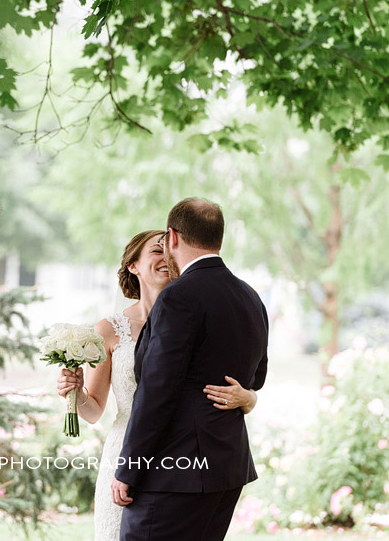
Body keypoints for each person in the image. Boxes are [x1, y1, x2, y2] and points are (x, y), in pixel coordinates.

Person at [56, 228, 259, 541]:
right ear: (133, 266)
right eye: (155, 250)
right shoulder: (109, 330)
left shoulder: (196, 313)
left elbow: (230, 375)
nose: (166, 257)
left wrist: (248, 398)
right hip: (126, 452)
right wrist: (76, 393)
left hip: (181, 460)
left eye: (169, 250)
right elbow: (94, 410)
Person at [110, 198, 269, 541]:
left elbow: (157, 390)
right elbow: (256, 379)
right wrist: (246, 396)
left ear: (172, 237)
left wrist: (129, 467)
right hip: (226, 469)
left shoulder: (178, 296)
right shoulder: (250, 296)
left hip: (175, 471)